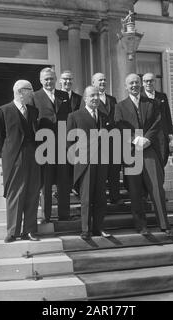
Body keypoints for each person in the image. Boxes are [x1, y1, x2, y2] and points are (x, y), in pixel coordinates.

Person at [115, 73, 171, 235]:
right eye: (131, 83)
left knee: (156, 187)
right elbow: (119, 126)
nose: (134, 85)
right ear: (126, 86)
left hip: (149, 149)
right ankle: (141, 226)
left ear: (141, 85)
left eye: (137, 83)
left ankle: (164, 224)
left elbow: (158, 122)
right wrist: (134, 140)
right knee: (135, 189)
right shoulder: (120, 106)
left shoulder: (152, 103)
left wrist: (147, 139)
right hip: (131, 152)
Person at [0, 80, 41, 243]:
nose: (32, 93)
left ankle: (29, 231)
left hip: (33, 157)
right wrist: (9, 155)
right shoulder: (3, 111)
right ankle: (13, 232)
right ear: (21, 92)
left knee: (33, 193)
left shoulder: (34, 111)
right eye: (30, 90)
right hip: (15, 159)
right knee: (15, 194)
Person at [67, 86, 111, 240]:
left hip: (102, 162)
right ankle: (85, 230)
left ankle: (99, 228)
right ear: (85, 98)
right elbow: (69, 143)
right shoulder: (75, 116)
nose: (95, 98)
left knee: (100, 198)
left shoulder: (105, 116)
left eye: (97, 95)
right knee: (86, 199)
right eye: (92, 95)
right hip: (84, 163)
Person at [33, 67, 72, 222]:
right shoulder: (35, 97)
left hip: (63, 146)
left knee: (64, 181)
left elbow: (68, 119)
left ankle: (64, 214)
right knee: (46, 184)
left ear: (56, 80)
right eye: (46, 79)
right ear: (41, 80)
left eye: (51, 78)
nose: (49, 81)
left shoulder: (63, 96)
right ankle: (46, 216)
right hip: (45, 147)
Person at [81, 72, 122, 204]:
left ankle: (115, 197)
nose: (103, 82)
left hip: (112, 141)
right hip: (97, 144)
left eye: (104, 80)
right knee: (100, 174)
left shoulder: (112, 99)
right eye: (100, 80)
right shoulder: (88, 100)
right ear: (93, 83)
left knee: (114, 171)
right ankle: (99, 198)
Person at [141, 72, 173, 168]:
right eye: (146, 81)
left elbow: (167, 114)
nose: (148, 83)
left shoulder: (162, 96)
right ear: (143, 83)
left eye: (151, 81)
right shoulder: (140, 97)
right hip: (147, 135)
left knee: (162, 160)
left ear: (155, 82)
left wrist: (170, 132)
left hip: (161, 135)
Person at [59, 70, 82, 197]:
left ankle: (75, 186)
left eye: (70, 79)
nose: (67, 81)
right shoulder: (56, 96)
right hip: (59, 136)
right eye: (65, 79)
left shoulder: (79, 98)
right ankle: (62, 187)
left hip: (76, 136)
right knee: (62, 163)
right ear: (60, 81)